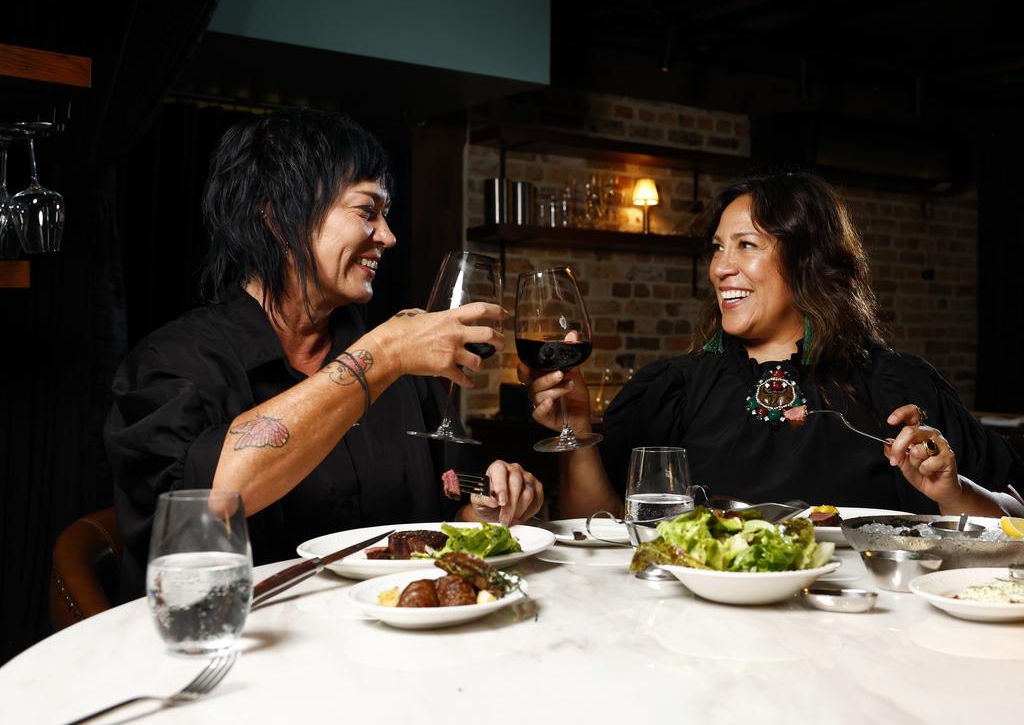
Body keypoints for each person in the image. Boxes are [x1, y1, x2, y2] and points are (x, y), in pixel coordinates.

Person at [107, 109, 542, 600]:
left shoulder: (402, 366)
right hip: (243, 649)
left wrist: (480, 513)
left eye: (387, 213)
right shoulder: (172, 362)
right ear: (276, 216)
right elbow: (205, 504)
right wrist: (382, 354)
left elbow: (440, 520)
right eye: (366, 210)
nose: (388, 235)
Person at [523, 170, 1023, 520]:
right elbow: (598, 533)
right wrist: (578, 431)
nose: (720, 267)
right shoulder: (673, 389)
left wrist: (953, 491)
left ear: (807, 260)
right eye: (718, 248)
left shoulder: (898, 387)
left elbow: (1014, 520)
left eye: (746, 245)